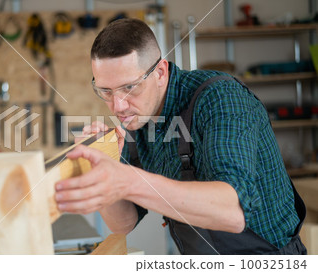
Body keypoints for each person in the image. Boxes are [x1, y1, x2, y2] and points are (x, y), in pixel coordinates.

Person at [54, 18, 306, 254]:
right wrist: (102, 167)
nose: (118, 106)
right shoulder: (136, 119)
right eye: (105, 91)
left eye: (129, 87)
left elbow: (232, 211)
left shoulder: (220, 98)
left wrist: (128, 180)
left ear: (160, 72)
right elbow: (124, 223)